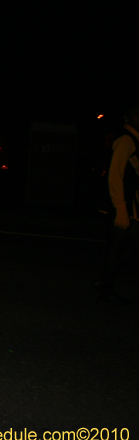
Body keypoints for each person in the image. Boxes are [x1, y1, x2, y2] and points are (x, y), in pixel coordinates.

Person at [95, 102, 139, 301]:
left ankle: (105, 281)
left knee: (121, 247)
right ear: (127, 117)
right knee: (118, 246)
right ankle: (106, 287)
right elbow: (115, 175)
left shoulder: (133, 140)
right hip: (122, 203)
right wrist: (121, 208)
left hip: (129, 203)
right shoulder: (126, 140)